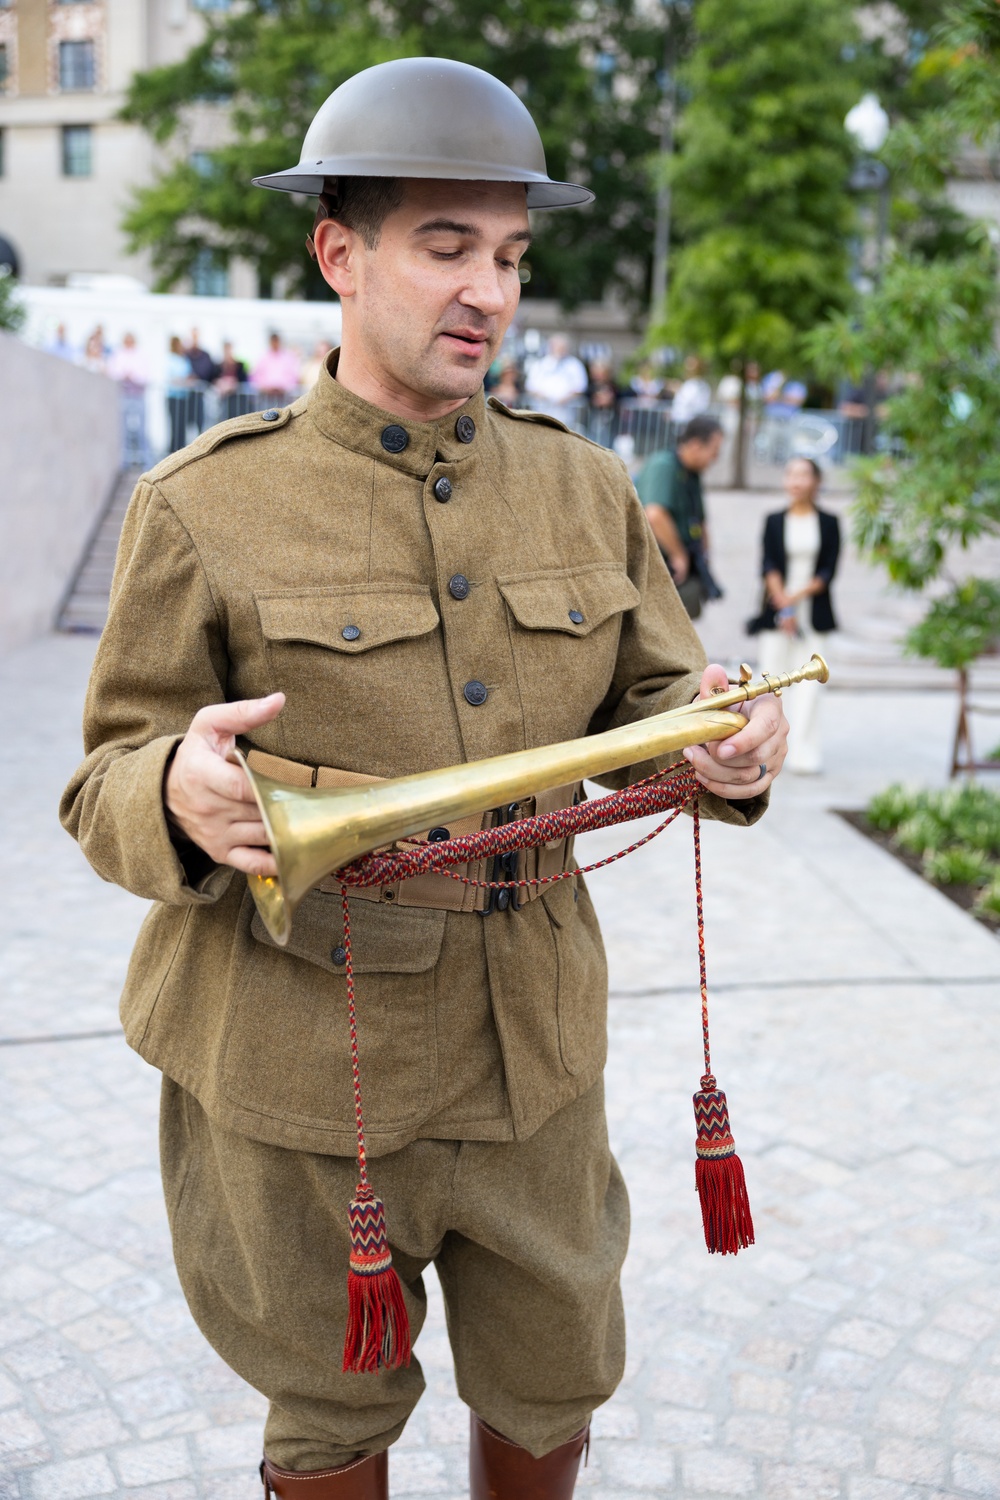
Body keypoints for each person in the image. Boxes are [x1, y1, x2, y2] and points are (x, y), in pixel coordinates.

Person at [61, 57, 789, 1500]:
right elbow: (106, 782)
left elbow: (661, 700)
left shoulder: (583, 484)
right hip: (297, 1059)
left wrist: (727, 741)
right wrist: (176, 797)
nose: (489, 293)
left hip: (535, 1051)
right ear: (340, 253)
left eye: (510, 255)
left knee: (553, 1380)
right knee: (329, 1412)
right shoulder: (205, 501)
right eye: (445, 246)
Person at [751, 456, 840, 773]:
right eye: (791, 473)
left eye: (803, 474)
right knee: (771, 679)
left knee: (812, 681)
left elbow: (827, 571)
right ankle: (766, 749)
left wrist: (795, 599)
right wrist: (783, 604)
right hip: (778, 612)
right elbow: (768, 565)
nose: (796, 480)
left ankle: (804, 750)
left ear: (816, 481)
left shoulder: (829, 522)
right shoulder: (775, 520)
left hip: (813, 611)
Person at [636, 414, 725, 621]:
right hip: (659, 567)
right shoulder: (664, 465)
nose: (715, 458)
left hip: (679, 565)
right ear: (695, 445)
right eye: (714, 451)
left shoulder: (691, 473)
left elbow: (701, 522)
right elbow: (655, 514)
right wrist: (679, 555)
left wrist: (704, 559)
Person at [106, 332, 151, 467]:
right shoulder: (118, 355)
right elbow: (113, 372)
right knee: (123, 429)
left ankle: (146, 461)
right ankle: (123, 462)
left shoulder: (140, 356)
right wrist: (124, 375)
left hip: (138, 395)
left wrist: (133, 376)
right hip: (124, 395)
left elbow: (145, 375)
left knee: (142, 430)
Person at [524, 333, 588, 419]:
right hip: (542, 411)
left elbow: (580, 387)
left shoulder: (574, 365)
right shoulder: (539, 364)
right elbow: (530, 387)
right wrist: (546, 398)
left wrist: (564, 399)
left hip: (567, 413)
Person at [251, 331, 302, 403]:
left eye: (276, 341)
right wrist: (266, 388)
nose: (275, 344)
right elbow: (256, 376)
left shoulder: (288, 357)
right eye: (273, 341)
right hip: (266, 397)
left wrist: (283, 388)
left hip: (284, 397)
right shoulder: (263, 357)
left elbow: (293, 377)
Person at [166, 334, 194, 453]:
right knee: (175, 427)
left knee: (182, 428)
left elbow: (189, 376)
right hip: (174, 397)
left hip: (184, 398)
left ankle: (181, 452)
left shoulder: (184, 359)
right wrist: (184, 381)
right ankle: (173, 452)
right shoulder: (171, 359)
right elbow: (173, 379)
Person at [669, 355, 713, 426]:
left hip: (689, 421)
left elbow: (689, 402)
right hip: (682, 421)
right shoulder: (691, 384)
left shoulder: (699, 385)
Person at [215, 341, 250, 420]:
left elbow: (243, 379)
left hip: (237, 400)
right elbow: (212, 378)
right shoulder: (218, 366)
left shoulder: (239, 365)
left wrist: (233, 383)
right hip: (223, 401)